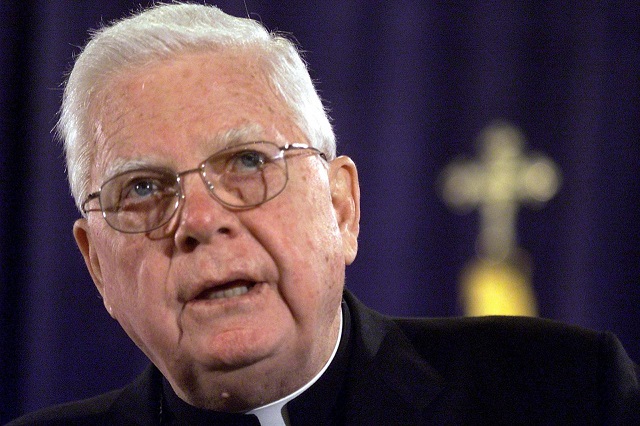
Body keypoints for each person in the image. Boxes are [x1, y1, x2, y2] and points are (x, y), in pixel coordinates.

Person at [8, 3, 639, 425]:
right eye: (143, 188)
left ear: (341, 208)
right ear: (96, 266)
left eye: (248, 163)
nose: (198, 220)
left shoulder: (567, 393)